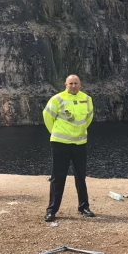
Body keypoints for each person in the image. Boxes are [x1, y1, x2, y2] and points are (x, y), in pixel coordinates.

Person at [43, 74, 95, 220]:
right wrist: (55, 132)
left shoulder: (87, 99)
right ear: (65, 85)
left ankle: (84, 207)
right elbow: (47, 116)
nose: (73, 86)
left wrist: (80, 132)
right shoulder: (57, 99)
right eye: (70, 83)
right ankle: (51, 210)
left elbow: (89, 118)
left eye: (76, 83)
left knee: (81, 176)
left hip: (79, 143)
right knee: (57, 177)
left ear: (80, 84)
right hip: (60, 143)